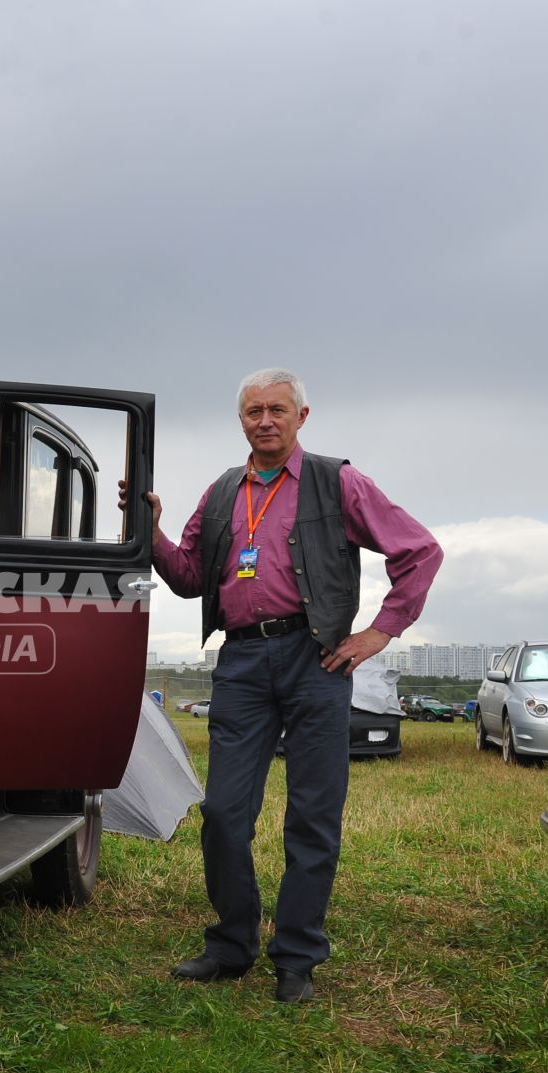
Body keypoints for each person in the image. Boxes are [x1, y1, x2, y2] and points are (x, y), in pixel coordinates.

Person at [122, 368, 441, 1002]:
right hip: (242, 663)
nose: (264, 421)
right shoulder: (220, 493)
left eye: (276, 409)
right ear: (240, 420)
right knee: (222, 812)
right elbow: (188, 577)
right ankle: (232, 945)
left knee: (313, 814)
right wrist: (151, 528)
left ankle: (296, 958)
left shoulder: (337, 480)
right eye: (251, 412)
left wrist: (379, 632)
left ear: (302, 416)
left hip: (316, 659)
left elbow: (419, 551)